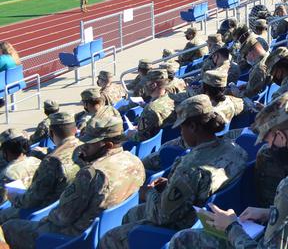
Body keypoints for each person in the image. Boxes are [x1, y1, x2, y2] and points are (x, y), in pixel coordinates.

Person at [168, 90, 288, 249]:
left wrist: (231, 226)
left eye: (268, 139)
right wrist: (269, 213)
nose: (268, 146)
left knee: (183, 240)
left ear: (280, 136)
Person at [98, 96, 247, 249]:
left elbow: (162, 217)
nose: (181, 133)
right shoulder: (235, 149)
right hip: (212, 214)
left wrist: (148, 194)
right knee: (131, 214)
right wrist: (170, 185)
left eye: (182, 127)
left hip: (183, 228)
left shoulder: (190, 169)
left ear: (193, 127)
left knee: (109, 238)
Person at [0, 112, 145, 249]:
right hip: (107, 227)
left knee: (8, 228)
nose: (83, 147)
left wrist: (43, 218)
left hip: (75, 236)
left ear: (108, 145)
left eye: (89, 144)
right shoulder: (134, 160)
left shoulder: (91, 174)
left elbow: (62, 217)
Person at [0, 113, 81, 225]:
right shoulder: (37, 160)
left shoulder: (8, 173)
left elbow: (25, 200)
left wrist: (13, 197)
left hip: (36, 212)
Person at [0, 133, 40, 204]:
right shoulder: (36, 161)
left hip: (18, 210)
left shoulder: (7, 174)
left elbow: (3, 202)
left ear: (6, 152)